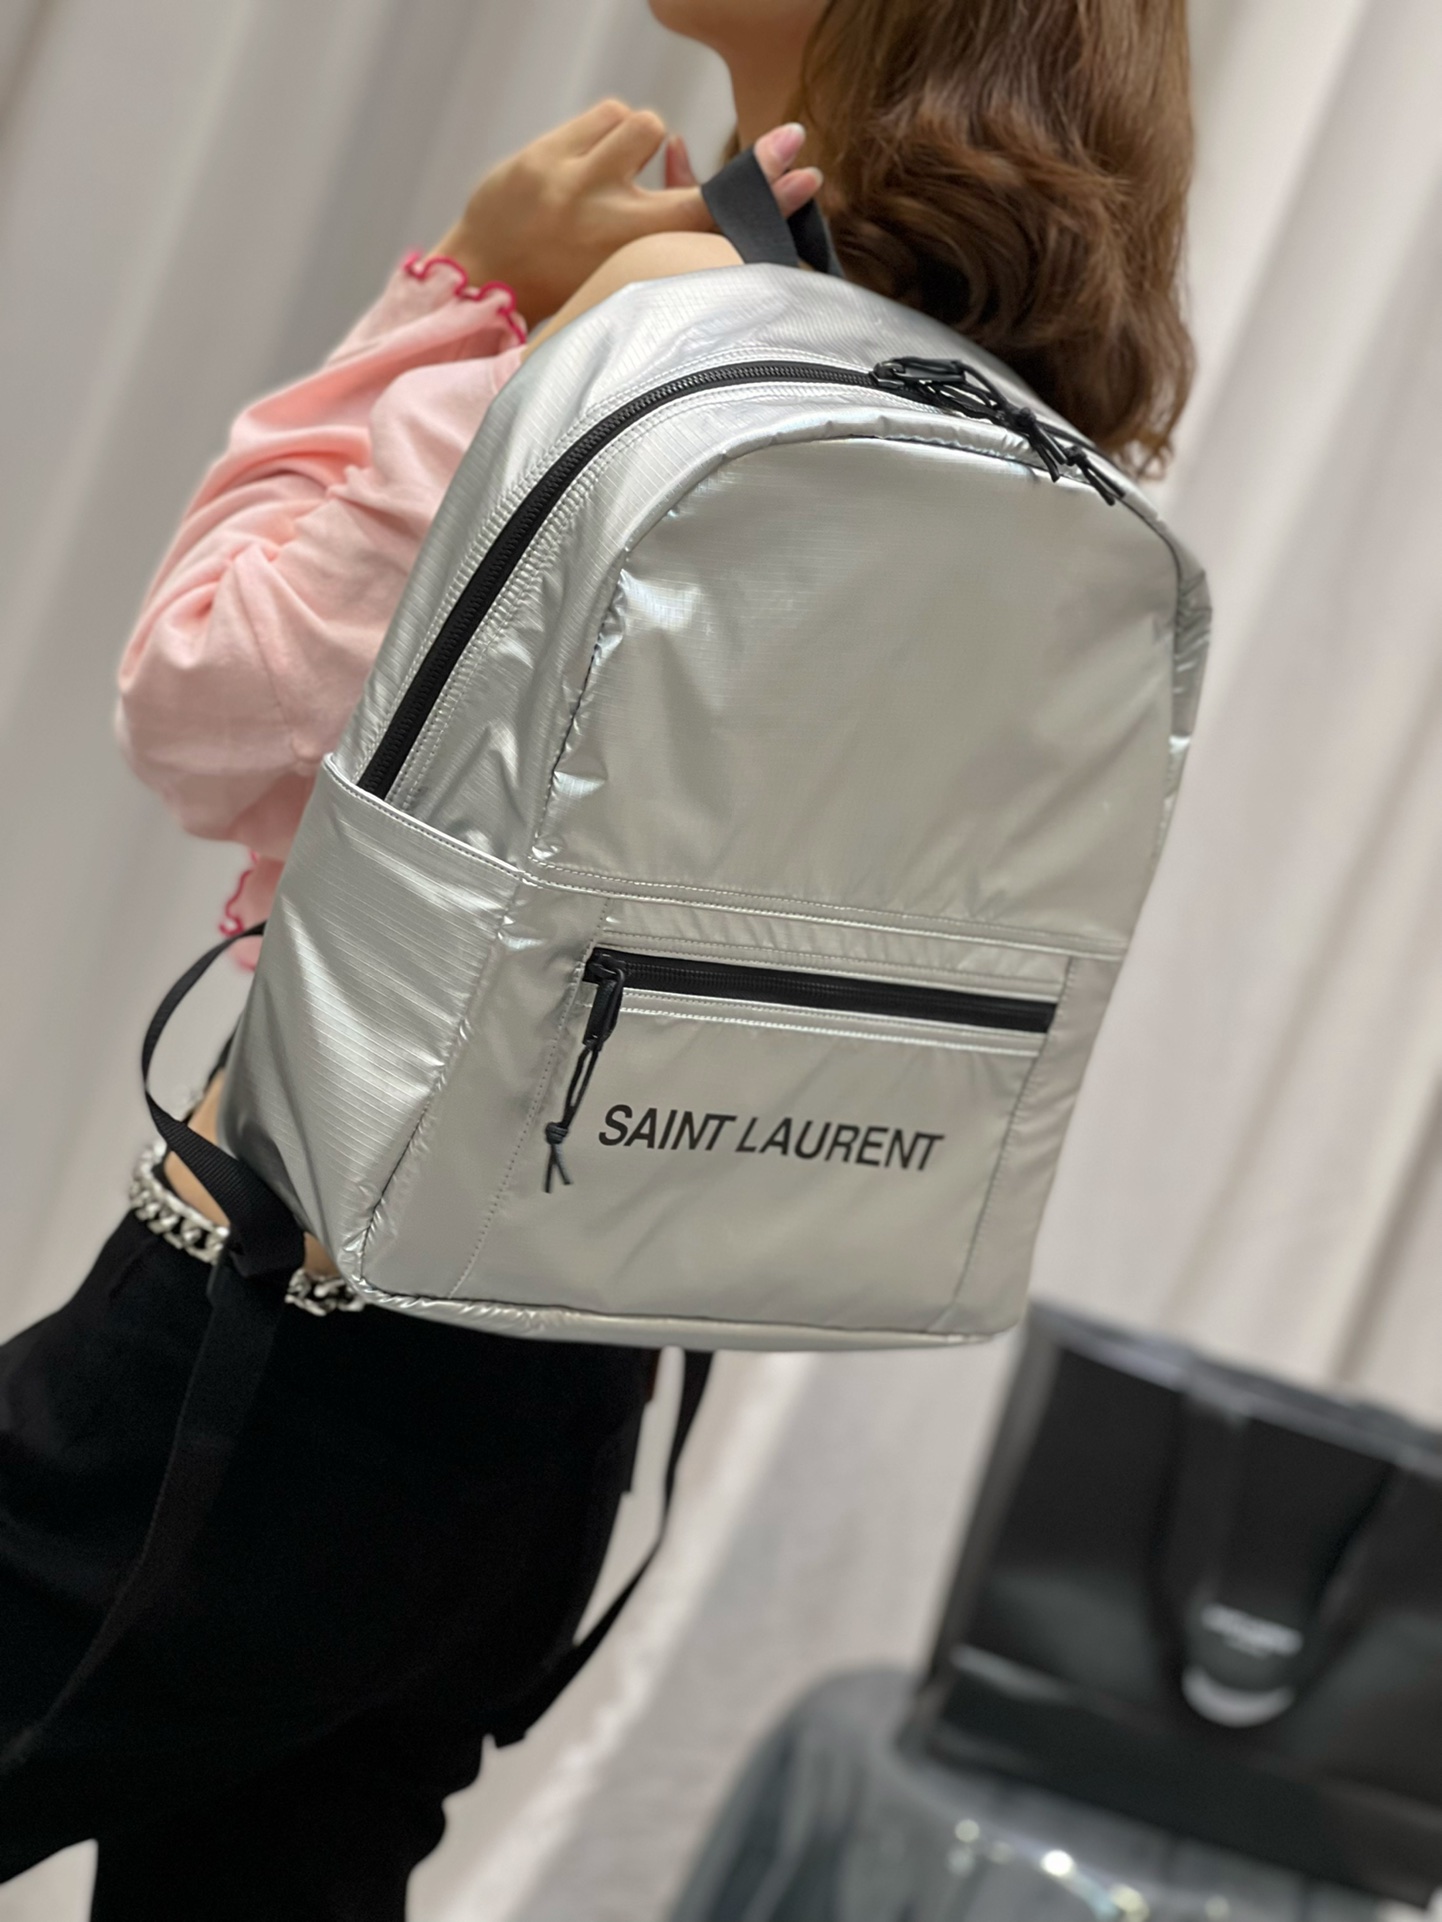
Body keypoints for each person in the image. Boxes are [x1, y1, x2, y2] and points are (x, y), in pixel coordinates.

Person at [0, 1, 1194, 1914]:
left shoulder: (655, 319)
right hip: (562, 1401)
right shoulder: (997, 400)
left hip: (283, 1341)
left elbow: (206, 694)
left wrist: (465, 288)